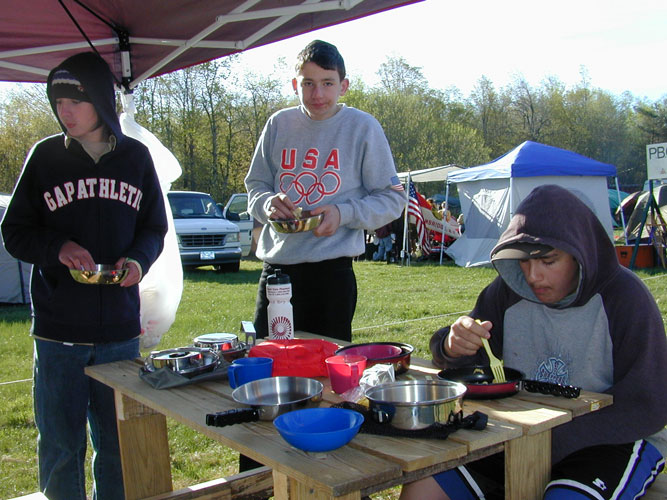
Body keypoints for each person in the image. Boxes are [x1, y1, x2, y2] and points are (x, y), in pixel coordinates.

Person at [401, 184, 667, 500]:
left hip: (612, 439)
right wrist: (451, 345)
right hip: (520, 435)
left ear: (579, 251)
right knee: (422, 489)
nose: (533, 276)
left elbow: (647, 401)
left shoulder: (625, 298)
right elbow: (472, 368)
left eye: (548, 261)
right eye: (524, 261)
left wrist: (546, 440)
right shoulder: (507, 292)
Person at [1, 52, 168, 500]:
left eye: (75, 101)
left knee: (116, 445)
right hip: (59, 335)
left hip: (118, 331)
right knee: (60, 445)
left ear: (100, 99)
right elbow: (13, 231)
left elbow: (154, 227)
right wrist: (58, 248)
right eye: (58, 103)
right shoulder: (45, 157)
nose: (65, 112)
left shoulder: (135, 158)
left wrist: (137, 260)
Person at [245, 39, 406, 343]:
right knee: (269, 360)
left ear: (343, 85)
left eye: (327, 83)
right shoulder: (278, 124)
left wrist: (343, 213)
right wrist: (267, 204)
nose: (317, 94)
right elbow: (255, 186)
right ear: (295, 84)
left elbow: (393, 196)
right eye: (308, 83)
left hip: (332, 275)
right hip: (277, 269)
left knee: (328, 373)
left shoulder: (363, 127)